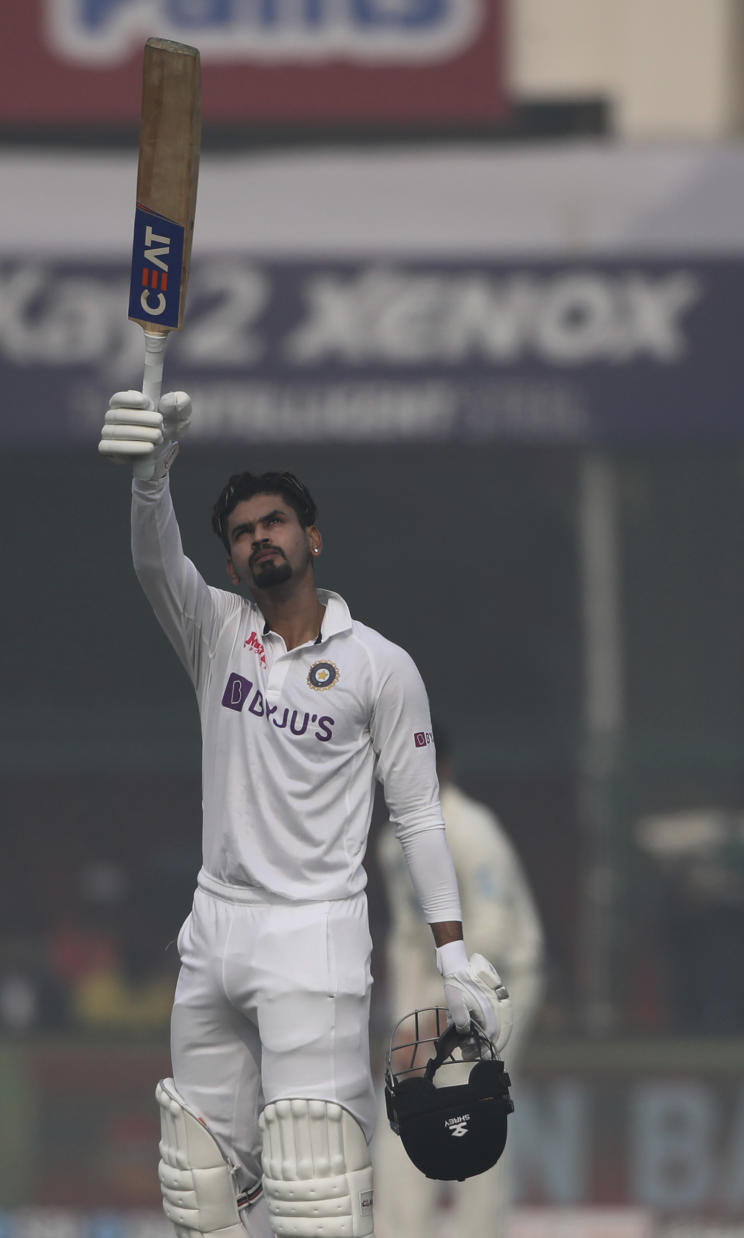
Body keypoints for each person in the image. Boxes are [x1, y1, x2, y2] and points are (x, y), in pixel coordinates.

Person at [99, 389, 512, 1238]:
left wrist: (456, 954)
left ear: (312, 537)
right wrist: (151, 480)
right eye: (243, 532)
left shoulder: (380, 666)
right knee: (199, 1181)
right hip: (214, 927)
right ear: (231, 563)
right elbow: (152, 565)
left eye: (276, 521)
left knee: (315, 1184)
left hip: (314, 929)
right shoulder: (215, 631)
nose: (261, 537)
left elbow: (418, 815)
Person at [374, 731, 545, 1238]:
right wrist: (406, 1020)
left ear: (442, 767)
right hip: (433, 985)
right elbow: (407, 937)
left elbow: (492, 932)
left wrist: (439, 1003)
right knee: (407, 1105)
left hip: (501, 981)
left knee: (478, 1107)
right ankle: (402, 1230)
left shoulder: (472, 829)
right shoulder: (391, 841)